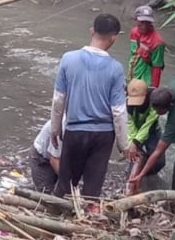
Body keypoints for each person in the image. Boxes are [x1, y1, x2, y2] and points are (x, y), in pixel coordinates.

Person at [50, 13, 129, 212]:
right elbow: (118, 111)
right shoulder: (116, 68)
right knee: (92, 189)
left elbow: (59, 99)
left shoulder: (68, 59)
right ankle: (86, 225)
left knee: (66, 183)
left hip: (75, 130)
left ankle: (56, 218)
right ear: (114, 37)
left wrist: (55, 129)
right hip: (103, 135)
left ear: (92, 31)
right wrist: (123, 144)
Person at [124, 79, 165, 195]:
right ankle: (131, 181)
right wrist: (132, 141)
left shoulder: (155, 100)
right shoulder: (128, 103)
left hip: (152, 130)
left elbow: (148, 124)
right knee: (134, 156)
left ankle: (145, 174)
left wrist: (136, 142)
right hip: (136, 131)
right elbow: (130, 123)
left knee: (160, 161)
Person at [128, 5, 165, 87]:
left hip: (146, 79)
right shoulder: (134, 32)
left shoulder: (158, 42)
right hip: (133, 72)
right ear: (135, 19)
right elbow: (133, 54)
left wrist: (154, 89)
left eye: (148, 22)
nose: (144, 26)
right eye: (141, 22)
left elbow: (157, 67)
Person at [29, 117, 65, 194]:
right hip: (42, 158)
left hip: (62, 157)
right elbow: (54, 160)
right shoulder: (62, 126)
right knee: (46, 195)